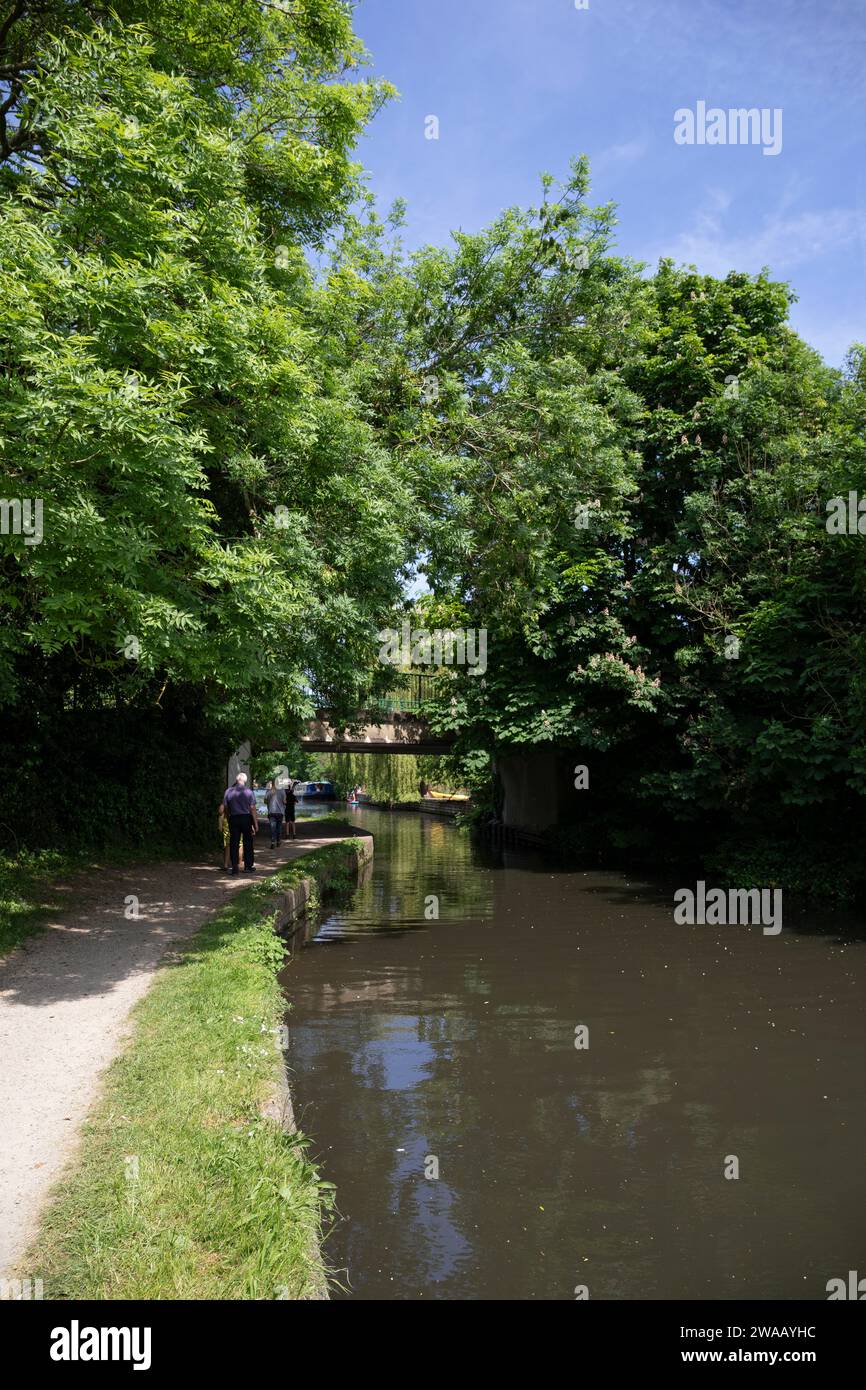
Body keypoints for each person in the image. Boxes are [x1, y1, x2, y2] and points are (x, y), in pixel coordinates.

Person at [223, 771, 258, 874]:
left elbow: (225, 807)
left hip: (233, 818)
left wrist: (228, 817)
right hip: (246, 818)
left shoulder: (228, 791)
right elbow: (252, 809)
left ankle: (235, 868)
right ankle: (248, 866)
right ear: (245, 781)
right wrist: (255, 824)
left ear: (236, 780)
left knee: (234, 842)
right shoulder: (249, 792)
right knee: (248, 842)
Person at [265, 779, 286, 848]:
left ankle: (272, 842)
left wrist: (269, 801)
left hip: (271, 812)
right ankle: (278, 842)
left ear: (272, 783)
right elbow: (284, 801)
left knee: (272, 828)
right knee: (279, 827)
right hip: (280, 812)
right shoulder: (282, 790)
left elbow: (265, 801)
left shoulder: (268, 791)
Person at [218, 799, 231, 870]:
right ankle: (238, 863)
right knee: (239, 844)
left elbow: (220, 811)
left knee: (227, 846)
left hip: (226, 824)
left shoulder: (227, 798)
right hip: (235, 823)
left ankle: (226, 864)